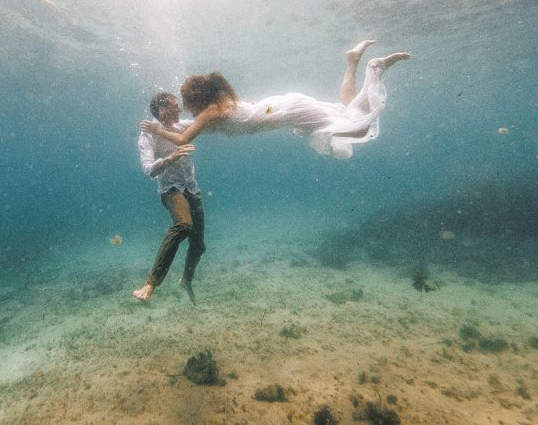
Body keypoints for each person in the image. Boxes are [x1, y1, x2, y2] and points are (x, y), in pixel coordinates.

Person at [140, 41, 410, 161]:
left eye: (185, 100)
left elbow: (183, 138)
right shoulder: (220, 106)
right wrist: (164, 122)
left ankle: (373, 67)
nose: (184, 105)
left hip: (285, 109)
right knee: (345, 113)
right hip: (277, 106)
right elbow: (189, 126)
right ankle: (352, 61)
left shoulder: (210, 112)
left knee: (358, 125)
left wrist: (157, 129)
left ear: (197, 98)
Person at [134, 92, 206, 304]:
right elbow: (148, 170)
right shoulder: (147, 135)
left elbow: (209, 122)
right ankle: (150, 284)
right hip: (169, 189)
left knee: (199, 245)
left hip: (192, 188)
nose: (179, 109)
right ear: (161, 110)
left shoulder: (181, 125)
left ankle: (186, 280)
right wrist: (170, 158)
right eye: (174, 107)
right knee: (184, 224)